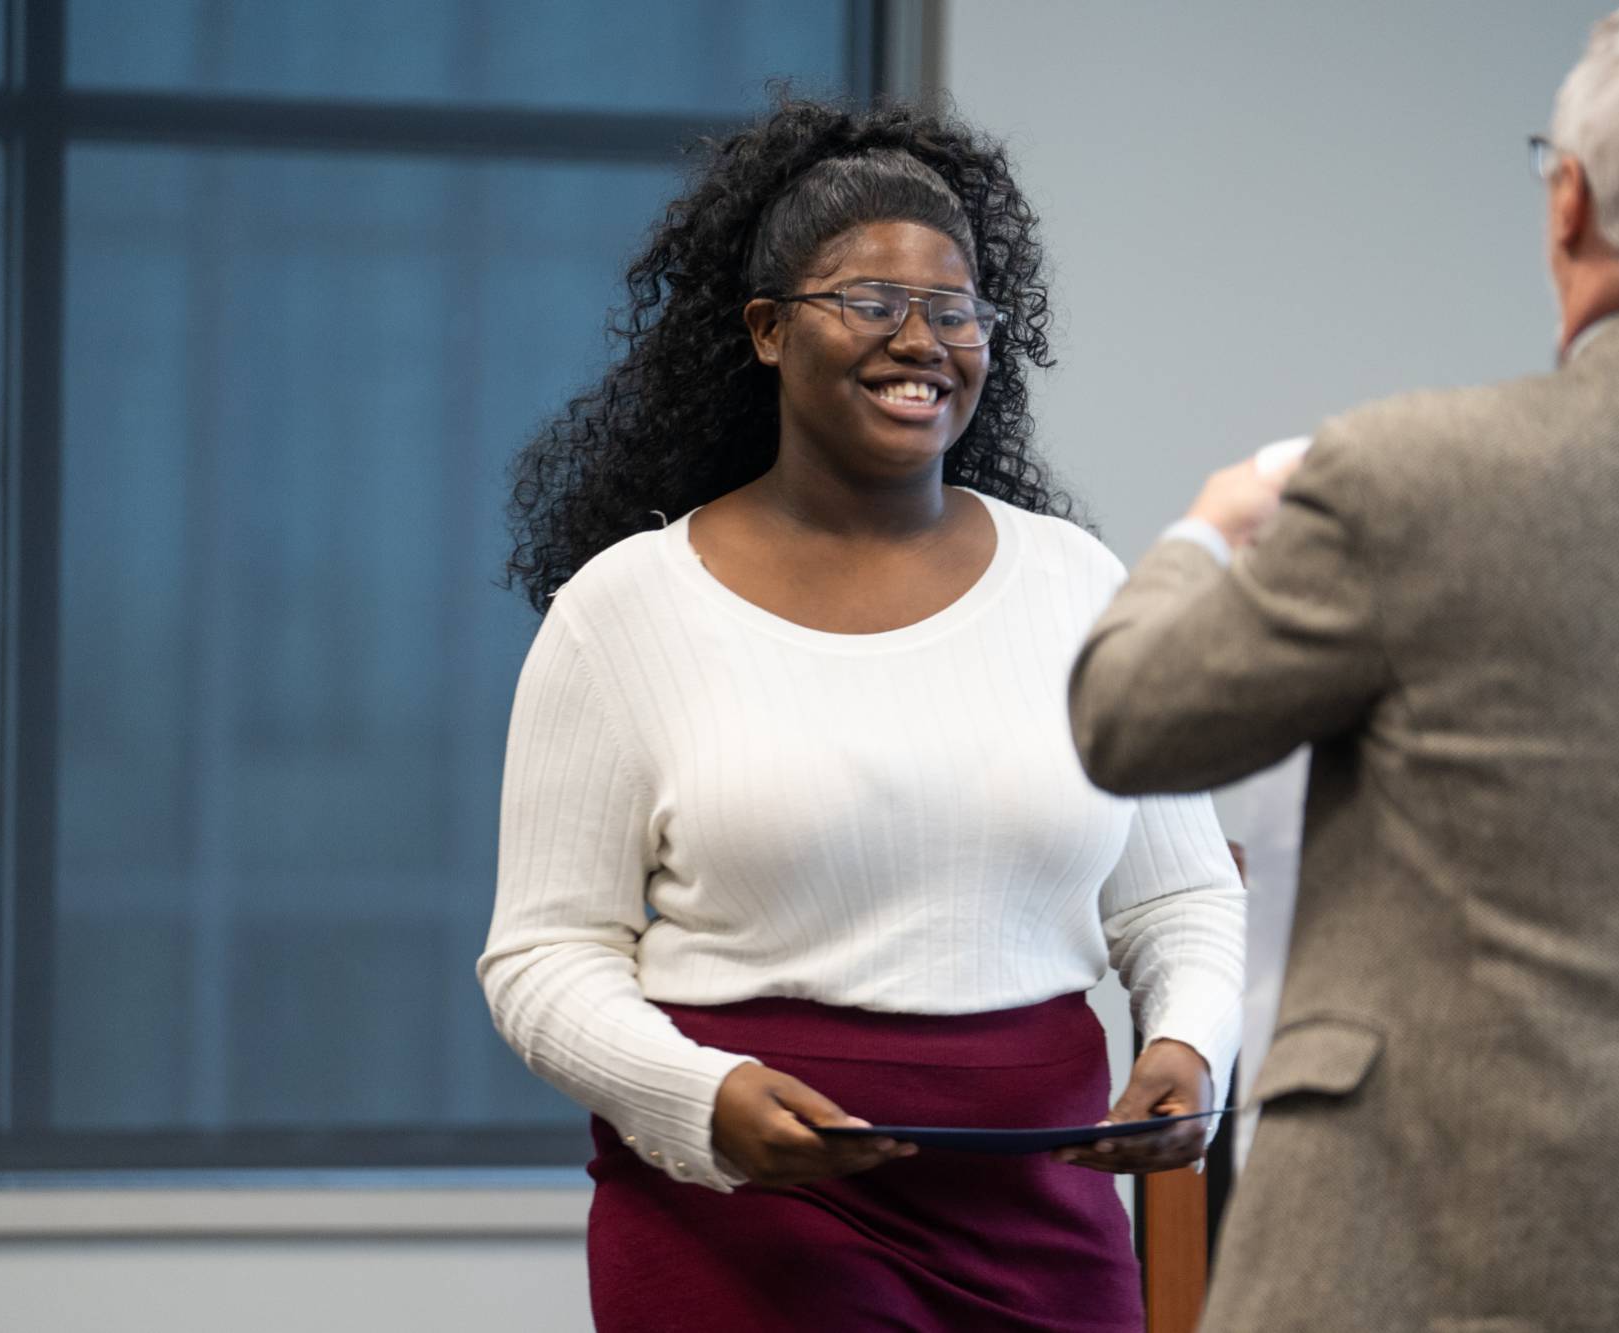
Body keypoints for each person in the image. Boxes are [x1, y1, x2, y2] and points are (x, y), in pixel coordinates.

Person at [1067, 2, 1619, 1329]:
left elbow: (1127, 717)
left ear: (1570, 202)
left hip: (1441, 1259)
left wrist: (1206, 537)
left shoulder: (1409, 478)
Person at [479, 98, 1247, 1333]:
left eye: (954, 309)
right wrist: (698, 1096)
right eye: (869, 304)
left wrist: (1190, 1044)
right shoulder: (625, 608)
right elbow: (542, 956)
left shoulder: (1075, 587)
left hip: (1040, 1214)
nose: (921, 341)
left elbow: (1179, 894)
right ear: (768, 331)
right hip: (744, 1218)